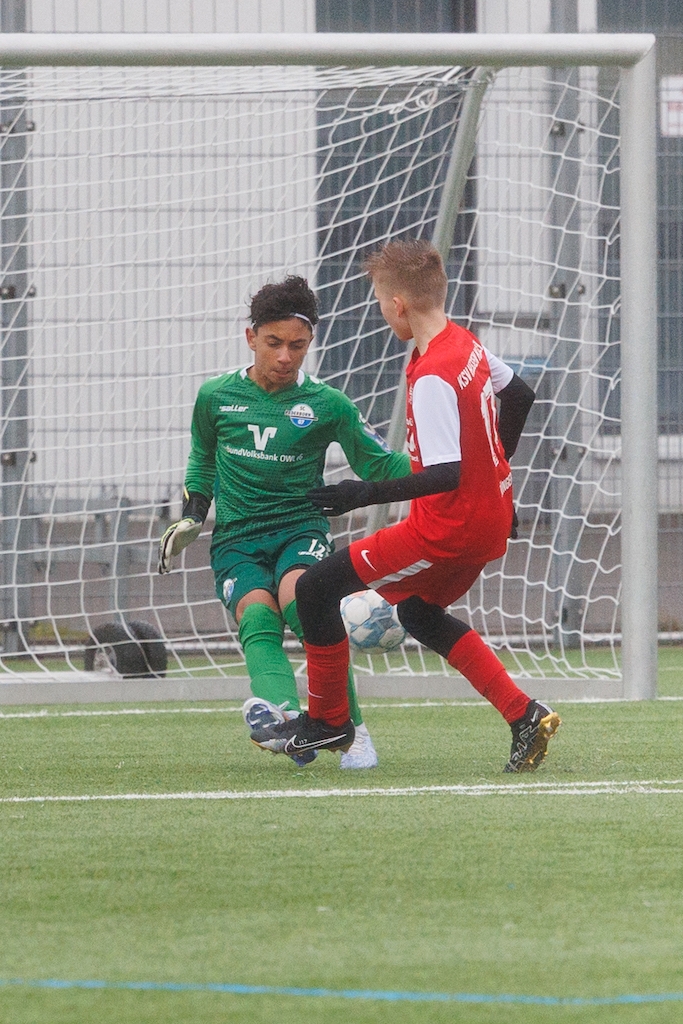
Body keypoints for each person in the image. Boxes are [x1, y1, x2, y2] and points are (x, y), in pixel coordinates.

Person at [250, 240, 561, 773]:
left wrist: (363, 493)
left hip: (447, 528)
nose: (379, 311)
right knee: (418, 612)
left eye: (378, 301)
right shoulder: (464, 344)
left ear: (398, 304)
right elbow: (521, 395)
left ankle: (328, 720)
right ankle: (523, 714)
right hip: (488, 515)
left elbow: (445, 474)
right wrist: (495, 477)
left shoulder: (434, 373)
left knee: (315, 589)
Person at [158, 275, 411, 768]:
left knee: (304, 606)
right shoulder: (215, 397)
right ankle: (288, 717)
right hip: (236, 538)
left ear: (310, 342)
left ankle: (352, 730)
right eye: (273, 342)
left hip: (301, 529)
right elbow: (202, 459)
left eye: (297, 345)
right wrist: (192, 515)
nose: (284, 357)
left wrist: (453, 473)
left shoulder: (328, 405)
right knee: (256, 615)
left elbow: (380, 464)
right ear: (250, 337)